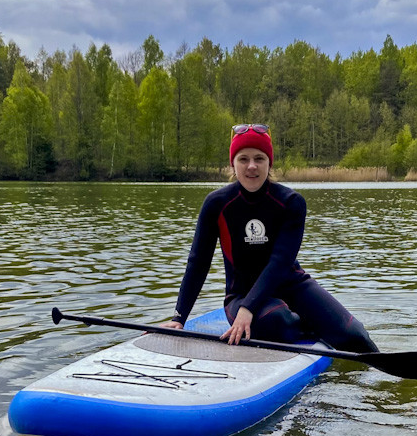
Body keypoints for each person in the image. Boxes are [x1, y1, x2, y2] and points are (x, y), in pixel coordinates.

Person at [161, 123, 378, 353]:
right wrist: (179, 317)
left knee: (355, 336)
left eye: (259, 158)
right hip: (240, 293)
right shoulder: (217, 204)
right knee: (277, 322)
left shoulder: (291, 202)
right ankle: (308, 325)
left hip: (292, 286)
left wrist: (249, 309)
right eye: (243, 159)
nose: (252, 166)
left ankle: (321, 327)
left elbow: (280, 262)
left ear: (269, 162)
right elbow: (198, 263)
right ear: (232, 163)